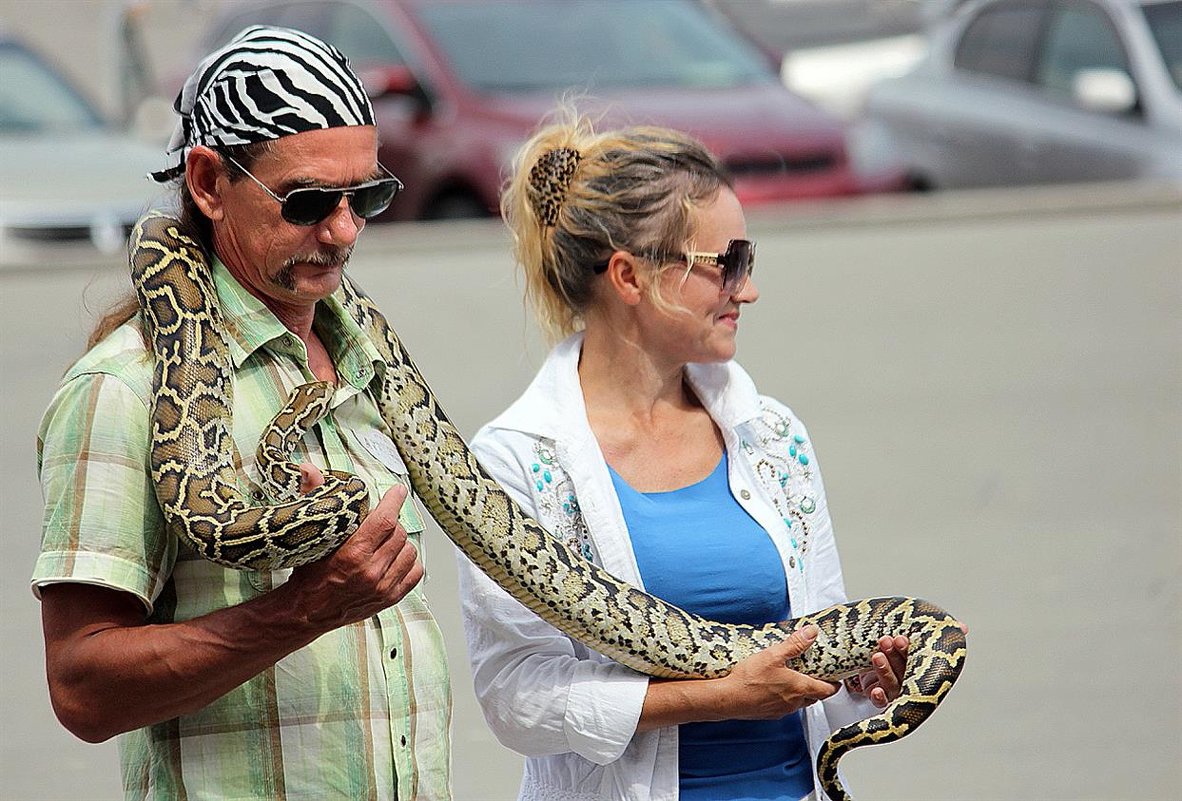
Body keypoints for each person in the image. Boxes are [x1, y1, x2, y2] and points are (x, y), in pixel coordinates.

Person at [32, 27, 450, 800]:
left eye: (369, 195)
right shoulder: (123, 386)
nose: (345, 229)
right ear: (208, 182)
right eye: (310, 201)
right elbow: (83, 687)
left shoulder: (365, 364)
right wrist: (304, 608)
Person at [456, 118, 911, 801]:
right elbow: (517, 698)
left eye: (748, 262)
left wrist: (863, 678)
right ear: (630, 276)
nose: (747, 289)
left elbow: (815, 652)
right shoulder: (516, 459)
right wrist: (715, 697)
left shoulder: (772, 434)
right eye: (727, 263)